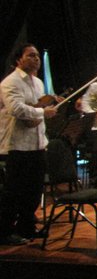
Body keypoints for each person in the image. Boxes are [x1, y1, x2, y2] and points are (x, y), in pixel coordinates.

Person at [0, 44, 59, 245]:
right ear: (18, 60)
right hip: (17, 145)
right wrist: (43, 112)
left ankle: (26, 226)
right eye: (31, 55)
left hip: (37, 144)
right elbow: (16, 109)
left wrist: (47, 107)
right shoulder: (10, 82)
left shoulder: (39, 83)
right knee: (14, 191)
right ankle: (5, 231)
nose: (36, 59)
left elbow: (36, 107)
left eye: (37, 56)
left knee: (33, 190)